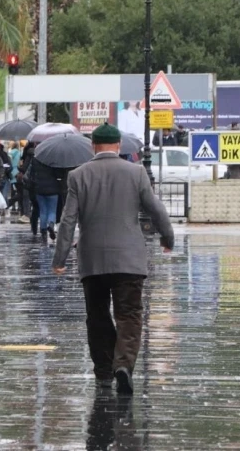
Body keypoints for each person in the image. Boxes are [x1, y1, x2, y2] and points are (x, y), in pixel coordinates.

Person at [52, 123, 174, 395]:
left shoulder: (78, 175)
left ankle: (104, 371)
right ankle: (123, 365)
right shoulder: (136, 172)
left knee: (97, 316)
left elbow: (68, 221)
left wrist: (59, 258)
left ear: (93, 146)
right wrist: (168, 238)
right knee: (129, 314)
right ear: (118, 146)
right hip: (129, 260)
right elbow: (157, 210)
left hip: (92, 260)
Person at [26, 158, 61, 243]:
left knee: (43, 210)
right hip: (53, 189)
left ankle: (43, 231)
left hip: (39, 188)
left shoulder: (35, 160)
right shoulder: (54, 161)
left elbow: (31, 174)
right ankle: (51, 225)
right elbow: (59, 174)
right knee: (52, 210)